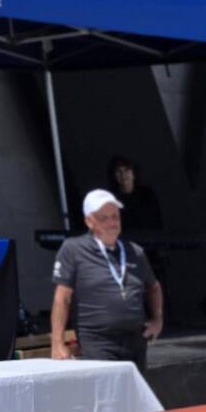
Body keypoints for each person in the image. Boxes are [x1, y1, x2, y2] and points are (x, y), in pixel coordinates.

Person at [51, 189, 164, 368]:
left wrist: (157, 320)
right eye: (104, 218)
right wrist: (57, 343)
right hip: (98, 342)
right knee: (107, 394)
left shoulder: (135, 251)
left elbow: (153, 287)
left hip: (135, 340)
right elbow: (62, 298)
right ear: (89, 221)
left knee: (133, 395)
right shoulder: (73, 249)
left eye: (115, 216)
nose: (112, 222)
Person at [107, 155, 163, 230]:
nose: (123, 174)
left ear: (134, 173)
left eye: (126, 170)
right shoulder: (109, 198)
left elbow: (157, 222)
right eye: (118, 171)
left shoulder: (147, 195)